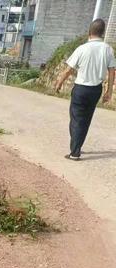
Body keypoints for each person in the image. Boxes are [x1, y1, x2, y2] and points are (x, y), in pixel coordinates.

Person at [56, 19, 115, 161]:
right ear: (102, 32)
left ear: (89, 32)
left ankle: (75, 152)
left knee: (76, 119)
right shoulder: (108, 49)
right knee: (86, 120)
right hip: (96, 90)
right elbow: (112, 71)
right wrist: (109, 92)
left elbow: (69, 70)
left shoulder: (82, 48)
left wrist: (59, 83)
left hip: (81, 89)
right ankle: (77, 146)